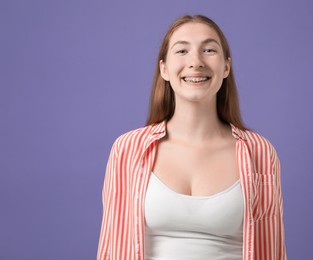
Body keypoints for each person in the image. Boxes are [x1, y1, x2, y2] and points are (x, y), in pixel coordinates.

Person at [97, 14, 286, 260]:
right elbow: (111, 247)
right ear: (164, 68)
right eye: (182, 51)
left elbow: (272, 248)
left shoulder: (259, 151)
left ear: (226, 67)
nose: (195, 62)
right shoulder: (128, 149)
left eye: (209, 49)